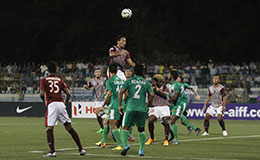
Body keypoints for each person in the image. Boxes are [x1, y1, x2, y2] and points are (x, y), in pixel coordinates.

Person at [40, 61, 85, 157]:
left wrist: (44, 101)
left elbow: (41, 94)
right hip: (61, 104)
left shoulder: (44, 80)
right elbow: (68, 93)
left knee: (49, 128)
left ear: (48, 70)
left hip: (52, 104)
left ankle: (52, 152)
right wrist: (65, 103)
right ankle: (81, 149)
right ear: (56, 70)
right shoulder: (60, 80)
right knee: (69, 127)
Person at [119, 64, 154, 156]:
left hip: (130, 107)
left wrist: (120, 105)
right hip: (141, 108)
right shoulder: (146, 83)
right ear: (143, 72)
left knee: (125, 128)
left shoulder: (129, 81)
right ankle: (141, 150)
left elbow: (121, 91)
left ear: (134, 71)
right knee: (141, 130)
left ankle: (126, 145)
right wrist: (147, 105)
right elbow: (151, 94)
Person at [99, 64, 124, 150]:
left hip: (114, 105)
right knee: (106, 122)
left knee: (113, 125)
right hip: (121, 104)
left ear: (109, 72)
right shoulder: (121, 80)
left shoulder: (109, 81)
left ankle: (121, 145)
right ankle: (103, 141)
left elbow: (109, 94)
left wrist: (103, 104)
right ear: (117, 71)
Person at [145, 74, 171, 146]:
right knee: (150, 120)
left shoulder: (165, 86)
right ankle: (152, 138)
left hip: (164, 106)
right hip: (155, 106)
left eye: (158, 81)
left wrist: (156, 90)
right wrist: (146, 106)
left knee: (166, 121)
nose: (157, 82)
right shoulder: (150, 87)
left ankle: (166, 140)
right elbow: (149, 97)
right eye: (155, 81)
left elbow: (165, 95)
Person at [83, 68, 106, 133]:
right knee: (97, 114)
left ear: (100, 73)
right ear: (94, 73)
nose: (98, 73)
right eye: (96, 72)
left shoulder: (104, 80)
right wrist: (86, 87)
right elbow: (88, 88)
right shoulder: (91, 80)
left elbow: (108, 87)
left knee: (109, 113)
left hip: (105, 99)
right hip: (97, 99)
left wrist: (105, 91)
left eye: (99, 72)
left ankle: (115, 127)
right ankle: (102, 128)